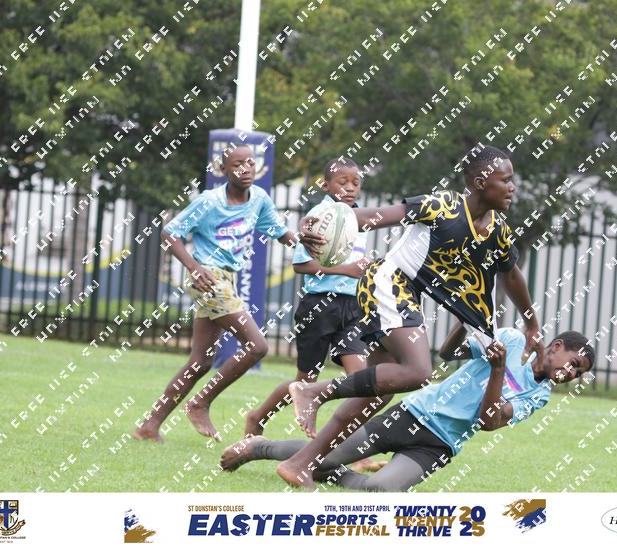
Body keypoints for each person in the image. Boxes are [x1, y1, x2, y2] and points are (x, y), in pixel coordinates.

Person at [277, 144, 545, 487]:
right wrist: (317, 222)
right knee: (419, 371)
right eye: (505, 180)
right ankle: (314, 392)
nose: (512, 187)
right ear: (480, 183)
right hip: (387, 281)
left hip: (407, 294)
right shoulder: (443, 205)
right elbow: (372, 217)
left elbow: (512, 275)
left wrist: (532, 323)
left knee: (377, 393)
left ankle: (299, 464)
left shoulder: (497, 231)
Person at [220, 327, 595, 491]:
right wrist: (464, 319)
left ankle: (326, 472)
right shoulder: (510, 339)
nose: (571, 373)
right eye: (574, 363)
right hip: (414, 414)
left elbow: (488, 421)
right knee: (328, 454)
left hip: (440, 445)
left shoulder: (539, 395)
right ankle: (258, 447)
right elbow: (449, 351)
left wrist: (498, 371)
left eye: (578, 373)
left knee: (381, 491)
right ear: (556, 346)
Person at [133, 144, 321, 443]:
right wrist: (194, 267)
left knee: (200, 362)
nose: (246, 169)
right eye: (237, 164)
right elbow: (169, 233)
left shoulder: (259, 199)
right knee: (257, 346)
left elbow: (279, 232)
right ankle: (201, 403)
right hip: (208, 278)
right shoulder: (209, 201)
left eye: (250, 163)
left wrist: (304, 244)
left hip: (227, 280)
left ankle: (149, 427)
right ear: (223, 170)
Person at [244, 157, 380, 437]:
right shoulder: (320, 216)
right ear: (326, 185)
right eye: (343, 182)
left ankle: (354, 449)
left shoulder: (360, 218)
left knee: (361, 382)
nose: (350, 188)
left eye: (356, 183)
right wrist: (346, 270)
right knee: (305, 381)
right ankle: (257, 418)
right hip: (319, 307)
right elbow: (301, 265)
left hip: (352, 307)